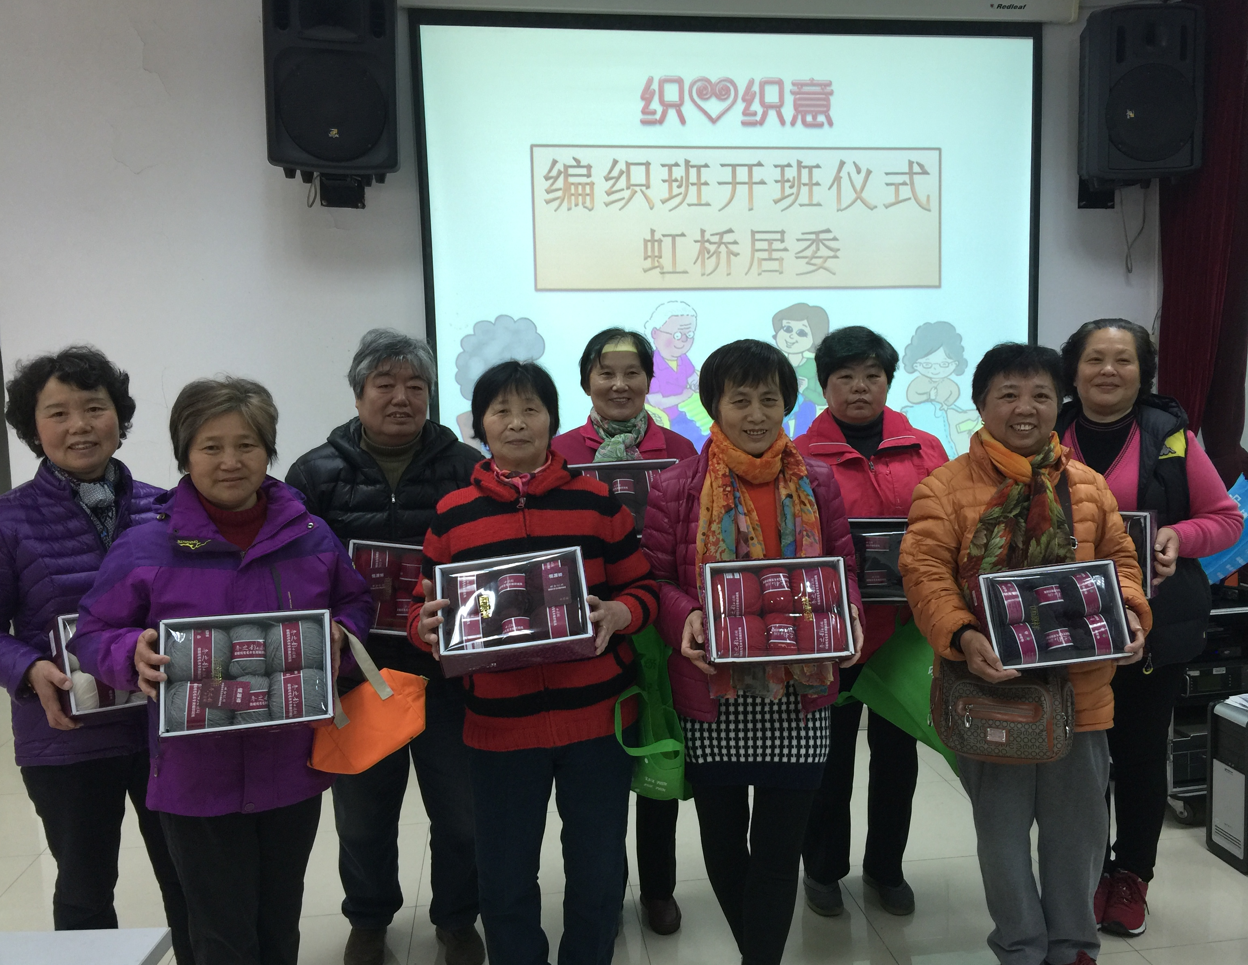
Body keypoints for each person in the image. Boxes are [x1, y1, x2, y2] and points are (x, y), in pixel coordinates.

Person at [74, 377, 373, 965]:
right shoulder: (145, 546)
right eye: (211, 446)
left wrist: (342, 632)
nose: (231, 461)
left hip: (291, 767)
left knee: (279, 923)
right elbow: (91, 633)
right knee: (220, 934)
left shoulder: (310, 536)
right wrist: (130, 653)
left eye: (247, 445)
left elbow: (355, 601)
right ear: (185, 454)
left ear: (269, 450)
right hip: (194, 779)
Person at [899, 343, 1151, 965]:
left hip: (1081, 689)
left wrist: (1130, 612)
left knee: (1079, 835)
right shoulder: (944, 487)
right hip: (990, 689)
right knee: (1003, 835)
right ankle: (1019, 947)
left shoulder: (1087, 486)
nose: (1025, 408)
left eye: (1040, 395)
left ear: (1058, 403)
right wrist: (964, 635)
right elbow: (925, 574)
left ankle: (1073, 947)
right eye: (1008, 395)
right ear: (981, 404)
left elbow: (1121, 560)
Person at [413, 360, 659, 965]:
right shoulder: (452, 514)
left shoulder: (596, 502)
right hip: (499, 729)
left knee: (598, 871)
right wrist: (425, 627)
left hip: (597, 722)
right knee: (504, 878)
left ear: (552, 419)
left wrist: (621, 613)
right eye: (501, 411)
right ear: (480, 424)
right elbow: (425, 610)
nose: (517, 422)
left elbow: (644, 589)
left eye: (531, 409)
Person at [643, 339, 864, 965]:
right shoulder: (676, 486)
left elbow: (842, 566)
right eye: (740, 400)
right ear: (715, 406)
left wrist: (846, 609)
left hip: (800, 689)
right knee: (722, 844)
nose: (757, 413)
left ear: (788, 403)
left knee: (778, 849)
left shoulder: (818, 480)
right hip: (714, 690)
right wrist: (686, 618)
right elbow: (655, 580)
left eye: (769, 398)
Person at [285, 329, 484, 965]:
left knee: (461, 815)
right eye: (385, 385)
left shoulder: (467, 467)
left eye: (415, 386)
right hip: (359, 676)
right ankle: (369, 920)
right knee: (364, 818)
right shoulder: (314, 472)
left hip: (448, 676)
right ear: (358, 392)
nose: (401, 398)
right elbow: (291, 571)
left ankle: (457, 918)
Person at [0, 347, 190, 961]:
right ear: (33, 427)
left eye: (94, 408)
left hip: (163, 728)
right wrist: (27, 667)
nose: (79, 425)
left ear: (119, 417)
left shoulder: (167, 507)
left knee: (189, 878)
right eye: (58, 413)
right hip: (66, 736)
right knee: (85, 889)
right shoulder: (9, 520)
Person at [1056, 319, 1241, 937]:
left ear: (1144, 372)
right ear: (1073, 370)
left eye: (1124, 360)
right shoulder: (1049, 432)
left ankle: (1131, 875)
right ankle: (1086, 872)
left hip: (1149, 630)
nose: (1108, 371)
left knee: (1137, 757)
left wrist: (1177, 537)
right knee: (1079, 762)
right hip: (1067, 627)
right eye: (1095, 359)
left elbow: (1226, 519)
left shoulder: (1172, 436)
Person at [794, 326, 949, 918]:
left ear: (888, 381)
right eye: (845, 377)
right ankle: (823, 869)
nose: (859, 387)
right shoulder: (798, 455)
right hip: (833, 634)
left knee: (897, 759)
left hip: (906, 633)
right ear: (824, 385)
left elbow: (949, 527)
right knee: (828, 760)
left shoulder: (926, 449)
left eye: (872, 376)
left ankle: (886, 867)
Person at [551, 327, 696, 936]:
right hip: (585, 624)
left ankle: (658, 887)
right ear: (586, 380)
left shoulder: (680, 449)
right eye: (606, 373)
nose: (619, 384)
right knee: (599, 772)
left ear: (649, 380)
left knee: (657, 747)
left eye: (632, 372)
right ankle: (601, 886)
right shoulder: (558, 451)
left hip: (658, 619)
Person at [770, 303, 830, 438]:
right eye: (787, 329)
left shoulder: (815, 366)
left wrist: (805, 390)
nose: (791, 336)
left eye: (801, 333)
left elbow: (822, 400)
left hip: (805, 414)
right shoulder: (771, 365)